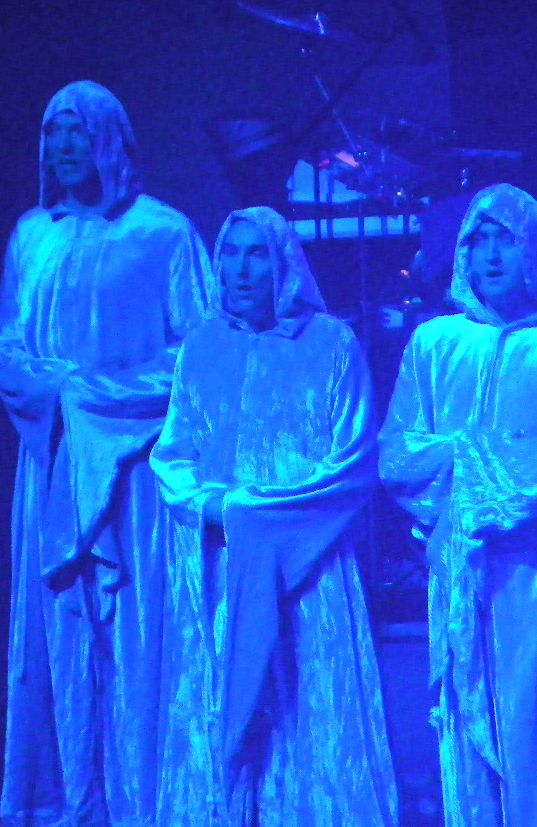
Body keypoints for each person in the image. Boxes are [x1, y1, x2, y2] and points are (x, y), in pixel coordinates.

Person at [0, 81, 213, 827]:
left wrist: (97, 402)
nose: (64, 145)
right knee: (60, 634)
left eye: (79, 130)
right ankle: (67, 803)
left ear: (111, 139)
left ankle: (145, 802)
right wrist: (58, 397)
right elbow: (4, 346)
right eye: (53, 130)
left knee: (137, 635)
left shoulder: (164, 234)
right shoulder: (32, 236)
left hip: (131, 473)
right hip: (53, 465)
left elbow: (200, 355)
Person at [379, 183, 537, 827]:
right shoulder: (435, 344)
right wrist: (504, 452)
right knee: (471, 753)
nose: (489, 255)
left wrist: (461, 456)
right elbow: (397, 457)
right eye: (477, 240)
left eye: (505, 240)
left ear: (536, 249)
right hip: (461, 576)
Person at [150, 206, 398, 827]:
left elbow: (353, 466)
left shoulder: (331, 345)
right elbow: (173, 454)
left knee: (309, 716)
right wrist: (213, 507)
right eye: (230, 252)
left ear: (283, 263)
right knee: (224, 713)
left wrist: (262, 517)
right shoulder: (202, 346)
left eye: (256, 253)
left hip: (309, 573)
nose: (240, 268)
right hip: (221, 567)